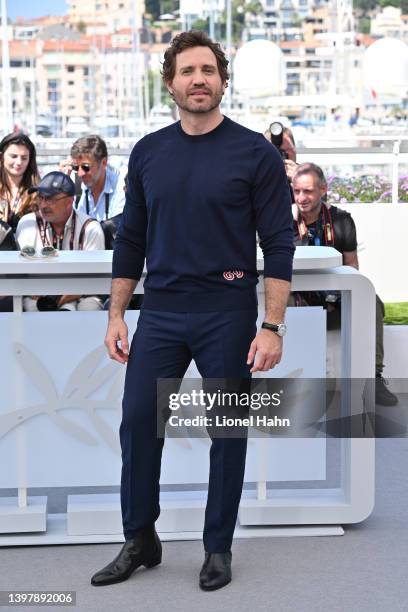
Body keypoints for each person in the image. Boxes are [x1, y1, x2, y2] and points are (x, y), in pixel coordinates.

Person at [91, 31, 294, 591]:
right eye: (187, 71)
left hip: (228, 312)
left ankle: (217, 548)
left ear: (223, 81)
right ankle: (140, 538)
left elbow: (278, 243)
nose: (198, 79)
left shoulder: (255, 152)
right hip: (160, 314)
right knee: (137, 424)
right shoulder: (149, 152)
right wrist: (116, 315)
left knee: (226, 432)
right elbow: (130, 240)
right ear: (171, 83)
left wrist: (271, 325)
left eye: (208, 70)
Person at [292, 162, 398, 406]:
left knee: (371, 302)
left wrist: (334, 296)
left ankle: (374, 379)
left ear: (323, 190)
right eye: (297, 191)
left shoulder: (341, 221)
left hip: (335, 300)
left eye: (307, 191)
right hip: (297, 301)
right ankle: (294, 386)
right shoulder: (282, 221)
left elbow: (352, 268)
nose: (301, 198)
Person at [16, 171, 105, 312]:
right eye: (40, 198)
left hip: (81, 294)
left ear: (70, 201)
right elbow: (22, 270)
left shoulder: (90, 228)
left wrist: (65, 299)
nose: (44, 205)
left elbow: (94, 278)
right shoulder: (27, 223)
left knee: (90, 307)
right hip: (36, 294)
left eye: (51, 199)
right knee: (32, 309)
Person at [60, 135, 126, 222]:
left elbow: (119, 227)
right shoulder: (75, 183)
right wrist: (60, 185)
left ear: (104, 163)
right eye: (76, 168)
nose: (80, 174)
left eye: (85, 167)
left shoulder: (120, 186)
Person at [0, 132, 40, 232]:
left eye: (24, 158)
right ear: (1, 157)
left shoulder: (38, 191)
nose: (19, 162)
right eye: (13, 156)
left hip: (27, 246)